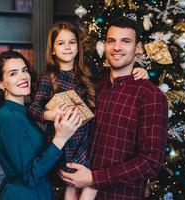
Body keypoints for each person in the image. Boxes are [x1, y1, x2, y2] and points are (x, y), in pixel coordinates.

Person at [29, 22, 149, 200]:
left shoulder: (86, 73)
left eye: (72, 42)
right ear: (53, 50)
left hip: (85, 136)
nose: (67, 47)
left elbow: (118, 72)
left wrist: (139, 71)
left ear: (78, 47)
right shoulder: (48, 77)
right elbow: (33, 108)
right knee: (71, 182)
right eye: (61, 43)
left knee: (89, 185)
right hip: (64, 139)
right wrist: (49, 115)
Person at [59, 17, 168, 200]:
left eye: (125, 41)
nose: (117, 47)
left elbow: (151, 163)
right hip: (76, 192)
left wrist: (94, 178)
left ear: (138, 48)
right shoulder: (93, 86)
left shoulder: (150, 95)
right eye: (111, 41)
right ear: (105, 45)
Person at [0, 50, 83, 200]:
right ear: (0, 83)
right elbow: (30, 175)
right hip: (25, 195)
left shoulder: (23, 111)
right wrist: (61, 138)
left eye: (24, 70)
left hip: (38, 191)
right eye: (13, 73)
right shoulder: (9, 118)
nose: (23, 76)